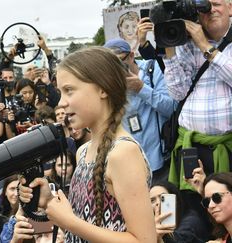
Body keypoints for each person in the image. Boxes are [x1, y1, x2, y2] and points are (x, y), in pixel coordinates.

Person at [18, 47, 156, 242]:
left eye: (69, 91)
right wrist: (49, 201)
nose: (62, 102)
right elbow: (87, 224)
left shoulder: (123, 153)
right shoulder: (83, 151)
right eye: (60, 92)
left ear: (103, 89)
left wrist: (69, 222)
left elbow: (144, 240)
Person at [163, 0, 232, 191]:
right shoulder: (187, 44)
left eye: (216, 4)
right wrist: (169, 46)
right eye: (203, 7)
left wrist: (204, 44)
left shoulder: (199, 41)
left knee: (224, 212)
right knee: (192, 209)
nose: (210, 10)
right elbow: (178, 92)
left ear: (230, 8)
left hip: (226, 148)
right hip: (191, 146)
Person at [104, 38, 175, 183]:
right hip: (130, 166)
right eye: (110, 66)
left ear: (131, 56)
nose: (116, 69)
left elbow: (170, 108)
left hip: (160, 161)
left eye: (119, 62)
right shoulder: (108, 84)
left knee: (165, 204)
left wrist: (141, 88)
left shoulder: (153, 68)